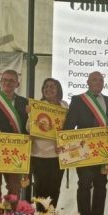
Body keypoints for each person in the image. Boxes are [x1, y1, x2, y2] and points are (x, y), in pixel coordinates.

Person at [63, 71, 108, 215]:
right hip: (83, 149)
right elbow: (69, 125)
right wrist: (65, 145)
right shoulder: (78, 100)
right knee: (84, 183)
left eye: (101, 80)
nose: (98, 82)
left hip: (103, 150)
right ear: (87, 82)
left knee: (101, 184)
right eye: (94, 79)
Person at [0, 69, 29, 205]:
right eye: (5, 80)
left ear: (17, 84)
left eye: (11, 80)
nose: (8, 83)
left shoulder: (26, 103)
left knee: (14, 188)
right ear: (1, 82)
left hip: (15, 152)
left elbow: (29, 127)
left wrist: (30, 135)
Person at [29, 78, 67, 207]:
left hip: (59, 155)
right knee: (40, 189)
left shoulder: (65, 106)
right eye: (46, 86)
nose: (49, 89)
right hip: (39, 154)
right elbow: (28, 127)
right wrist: (32, 119)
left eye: (52, 86)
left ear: (58, 90)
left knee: (55, 188)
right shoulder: (37, 106)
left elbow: (68, 128)